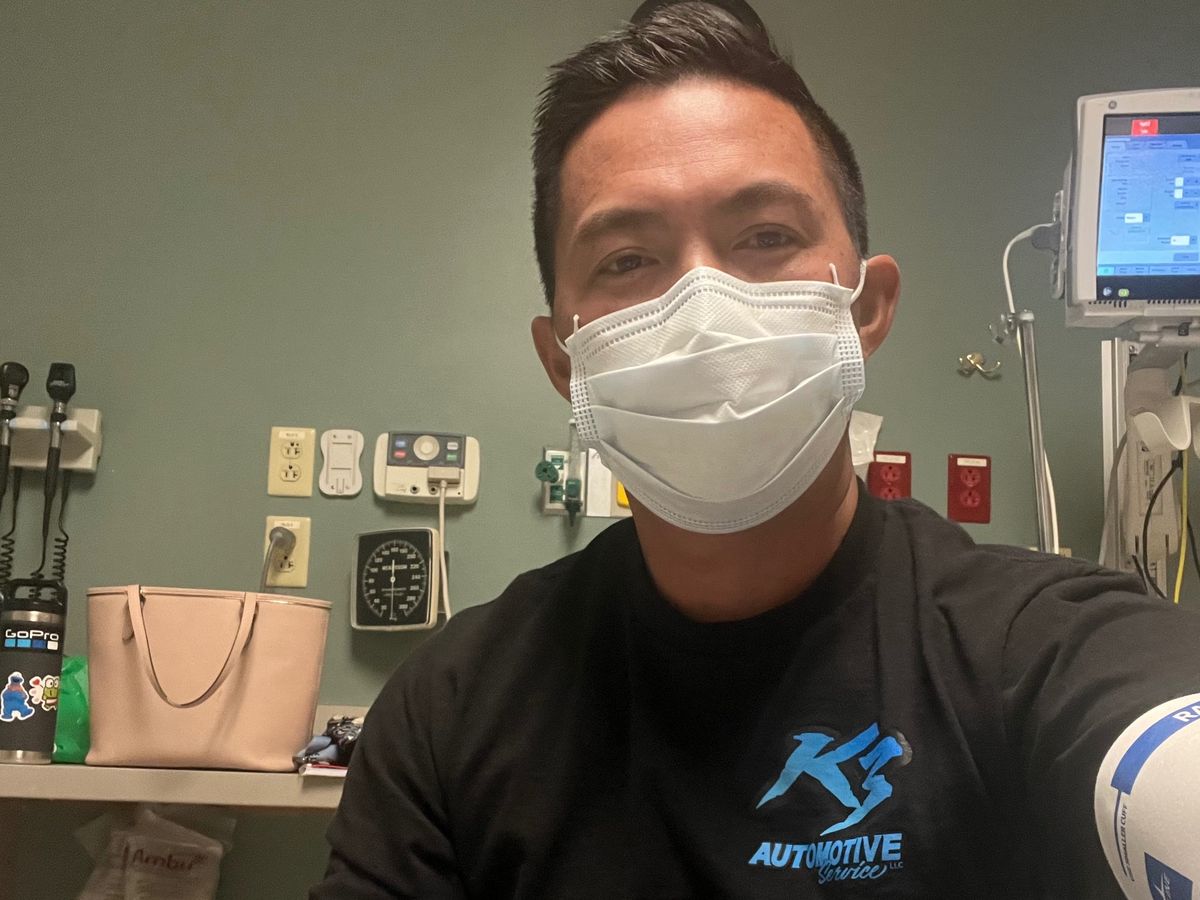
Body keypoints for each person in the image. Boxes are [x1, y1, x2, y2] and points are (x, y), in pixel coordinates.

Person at [312, 2, 1200, 897]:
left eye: (767, 237)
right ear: (563, 360)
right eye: (626, 259)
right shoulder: (449, 713)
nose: (703, 309)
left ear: (866, 308)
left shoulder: (1039, 651)